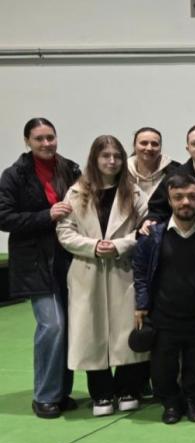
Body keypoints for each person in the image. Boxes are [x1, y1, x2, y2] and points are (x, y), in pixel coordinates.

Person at [56, 135, 149, 416]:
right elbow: (64, 232)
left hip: (123, 269)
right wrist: (94, 246)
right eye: (105, 156)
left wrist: (120, 245)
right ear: (94, 159)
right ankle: (101, 393)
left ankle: (128, 389)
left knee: (127, 331)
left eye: (117, 156)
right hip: (87, 271)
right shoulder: (76, 193)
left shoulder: (134, 193)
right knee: (91, 333)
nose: (112, 161)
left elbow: (147, 229)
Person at [0, 118, 81, 419]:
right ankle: (44, 396)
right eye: (39, 139)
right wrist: (46, 215)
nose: (47, 143)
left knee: (69, 326)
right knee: (52, 325)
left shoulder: (70, 169)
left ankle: (61, 392)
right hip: (34, 262)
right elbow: (4, 217)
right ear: (28, 142)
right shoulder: (14, 175)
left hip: (68, 259)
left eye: (51, 137)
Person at [141, 124, 195, 407]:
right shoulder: (175, 176)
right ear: (187, 147)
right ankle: (173, 397)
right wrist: (149, 222)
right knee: (169, 343)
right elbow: (157, 208)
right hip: (177, 255)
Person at [126, 127, 179, 205]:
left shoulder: (176, 172)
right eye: (144, 143)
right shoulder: (123, 172)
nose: (149, 148)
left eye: (154, 144)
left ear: (160, 148)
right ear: (134, 146)